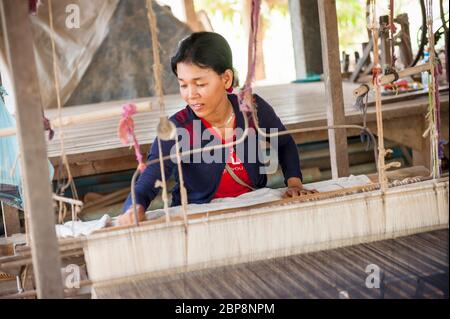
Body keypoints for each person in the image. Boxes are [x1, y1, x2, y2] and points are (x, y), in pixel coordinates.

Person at [118, 32, 315, 226]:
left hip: (252, 211)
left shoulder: (251, 109)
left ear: (226, 79)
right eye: (183, 85)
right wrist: (134, 207)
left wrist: (294, 183)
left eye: (200, 84)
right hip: (200, 220)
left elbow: (284, 142)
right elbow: (152, 175)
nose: (191, 94)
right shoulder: (176, 127)